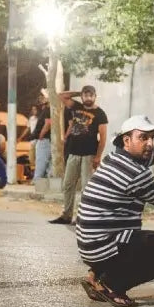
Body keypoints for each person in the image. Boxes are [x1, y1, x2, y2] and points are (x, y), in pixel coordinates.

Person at [76, 115, 154, 306]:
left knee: (139, 239)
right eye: (143, 138)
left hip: (92, 247)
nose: (150, 143)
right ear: (127, 140)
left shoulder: (116, 158)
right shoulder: (133, 172)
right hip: (104, 246)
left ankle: (96, 276)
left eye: (152, 138)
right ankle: (111, 285)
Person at [49, 85, 108, 224]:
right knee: (68, 184)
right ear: (82, 96)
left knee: (86, 187)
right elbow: (61, 95)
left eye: (90, 95)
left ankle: (83, 217)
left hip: (89, 154)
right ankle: (66, 215)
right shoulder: (76, 106)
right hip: (73, 152)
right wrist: (78, 92)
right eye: (85, 95)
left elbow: (103, 137)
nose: (88, 98)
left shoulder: (100, 113)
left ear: (95, 96)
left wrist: (98, 156)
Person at [30, 95, 52, 181]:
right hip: (48, 139)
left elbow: (48, 124)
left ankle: (37, 180)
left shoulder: (47, 110)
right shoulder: (50, 110)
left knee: (41, 160)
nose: (40, 100)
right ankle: (45, 180)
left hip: (44, 139)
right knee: (49, 163)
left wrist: (41, 136)